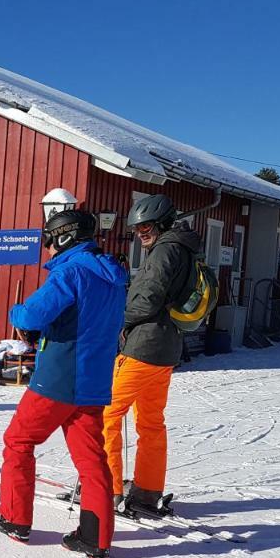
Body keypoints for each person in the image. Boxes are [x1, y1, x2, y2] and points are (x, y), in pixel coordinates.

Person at [0, 209, 127, 558]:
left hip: (58, 379)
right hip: (93, 381)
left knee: (19, 441)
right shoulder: (116, 276)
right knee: (92, 461)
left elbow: (31, 315)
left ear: (63, 237)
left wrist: (16, 313)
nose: (47, 248)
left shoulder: (71, 271)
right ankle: (95, 539)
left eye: (49, 239)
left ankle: (14, 518)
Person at [101, 194, 203, 518]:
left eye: (144, 226)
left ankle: (107, 488)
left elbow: (148, 299)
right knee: (150, 422)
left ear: (161, 223)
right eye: (136, 228)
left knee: (106, 415)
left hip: (144, 348)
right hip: (167, 347)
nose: (139, 232)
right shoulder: (182, 249)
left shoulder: (165, 250)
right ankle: (146, 491)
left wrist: (117, 319)